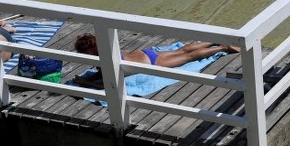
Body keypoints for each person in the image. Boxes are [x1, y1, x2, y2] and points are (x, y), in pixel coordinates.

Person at [71, 32, 240, 89]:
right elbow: (101, 74)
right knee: (184, 49)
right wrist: (86, 78)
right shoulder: (109, 49)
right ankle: (213, 40)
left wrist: (86, 83)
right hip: (147, 54)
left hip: (151, 63)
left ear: (90, 50)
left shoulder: (105, 60)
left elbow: (105, 84)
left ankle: (223, 47)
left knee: (189, 56)